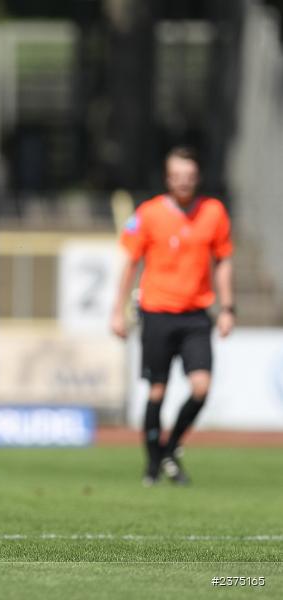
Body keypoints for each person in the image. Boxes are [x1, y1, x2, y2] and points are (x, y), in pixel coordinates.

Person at [110, 146, 234, 486]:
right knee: (157, 391)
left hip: (196, 314)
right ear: (167, 178)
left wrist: (227, 308)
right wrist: (117, 311)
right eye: (177, 176)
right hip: (157, 312)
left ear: (198, 178)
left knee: (200, 387)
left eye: (190, 176)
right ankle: (152, 464)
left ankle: (170, 448)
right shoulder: (148, 214)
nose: (183, 182)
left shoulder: (213, 212)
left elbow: (223, 259)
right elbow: (130, 263)